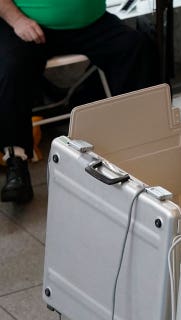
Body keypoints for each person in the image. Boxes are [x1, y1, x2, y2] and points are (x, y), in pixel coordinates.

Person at [0, 0, 160, 203]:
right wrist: (17, 20)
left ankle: (140, 145)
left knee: (137, 48)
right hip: (26, 22)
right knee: (11, 68)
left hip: (91, 24)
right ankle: (16, 162)